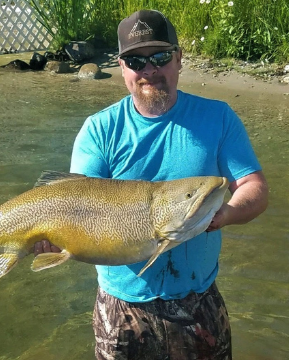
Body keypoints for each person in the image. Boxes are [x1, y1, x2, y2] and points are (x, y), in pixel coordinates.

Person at [34, 9, 269, 360]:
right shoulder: (99, 130)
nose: (149, 70)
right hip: (121, 310)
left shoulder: (218, 117)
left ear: (179, 59)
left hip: (199, 304)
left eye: (160, 57)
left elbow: (254, 186)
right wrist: (55, 241)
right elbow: (75, 205)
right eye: (135, 61)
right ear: (121, 66)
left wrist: (222, 215)